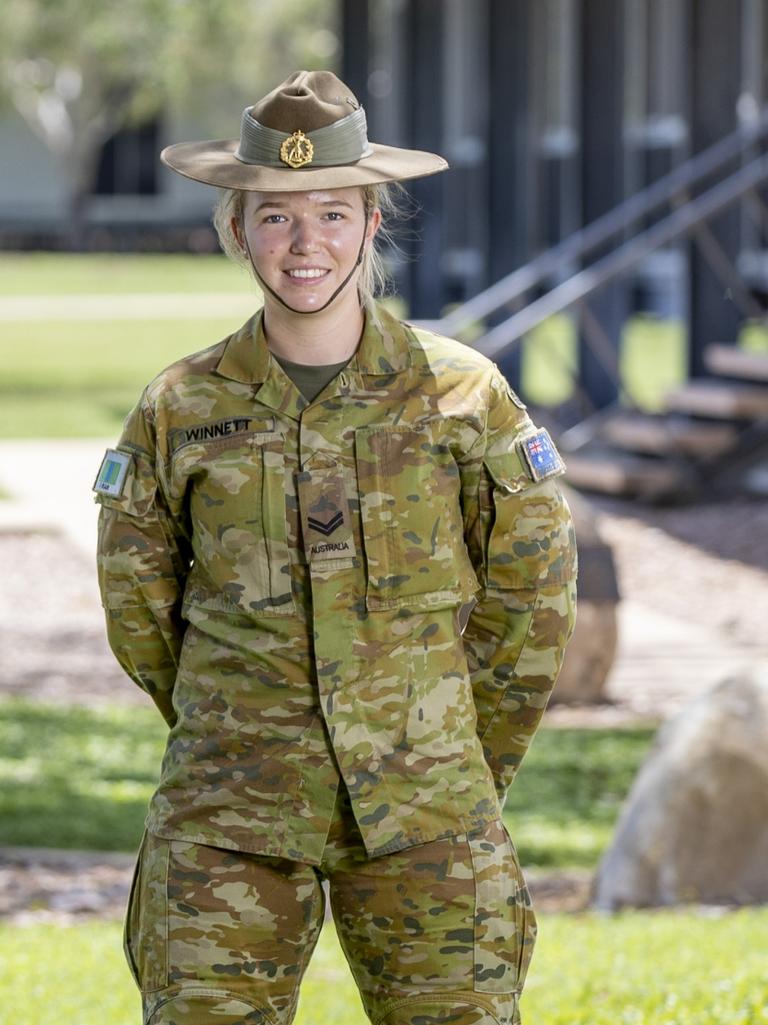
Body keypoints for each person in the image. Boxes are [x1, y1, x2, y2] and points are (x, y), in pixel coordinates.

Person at [94, 70, 577, 1025]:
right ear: (237, 229)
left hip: (429, 811)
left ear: (371, 221)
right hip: (229, 815)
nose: (304, 243)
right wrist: (236, 727)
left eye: (331, 212)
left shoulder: (463, 397)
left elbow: (535, 601)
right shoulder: (180, 408)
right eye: (274, 216)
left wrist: (454, 752)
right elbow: (139, 610)